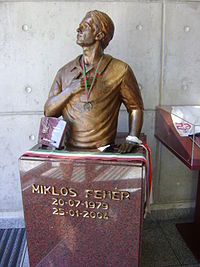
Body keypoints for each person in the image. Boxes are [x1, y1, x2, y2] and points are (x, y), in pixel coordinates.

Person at [44, 10, 143, 153]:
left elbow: (135, 107)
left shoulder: (120, 70)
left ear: (99, 35)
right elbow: (48, 111)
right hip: (69, 152)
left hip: (103, 151)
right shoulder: (65, 72)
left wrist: (132, 138)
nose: (78, 29)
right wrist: (70, 90)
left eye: (85, 26)